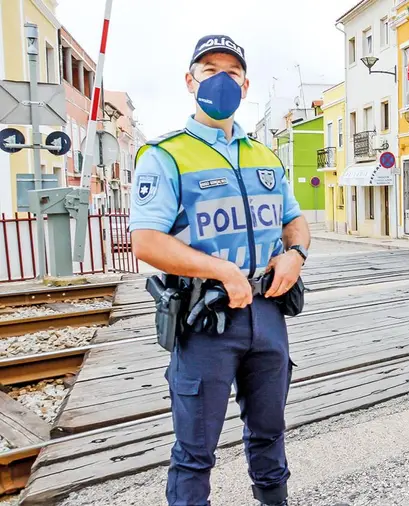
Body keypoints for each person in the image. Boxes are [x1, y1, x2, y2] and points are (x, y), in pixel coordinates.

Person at [129, 35, 346, 506]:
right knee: (195, 451)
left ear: (245, 86)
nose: (222, 79)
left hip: (267, 314)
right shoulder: (165, 155)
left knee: (269, 432)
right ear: (191, 81)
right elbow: (146, 242)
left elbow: (295, 221)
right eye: (210, 70)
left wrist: (296, 255)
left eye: (232, 72)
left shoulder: (265, 157)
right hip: (206, 319)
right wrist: (221, 271)